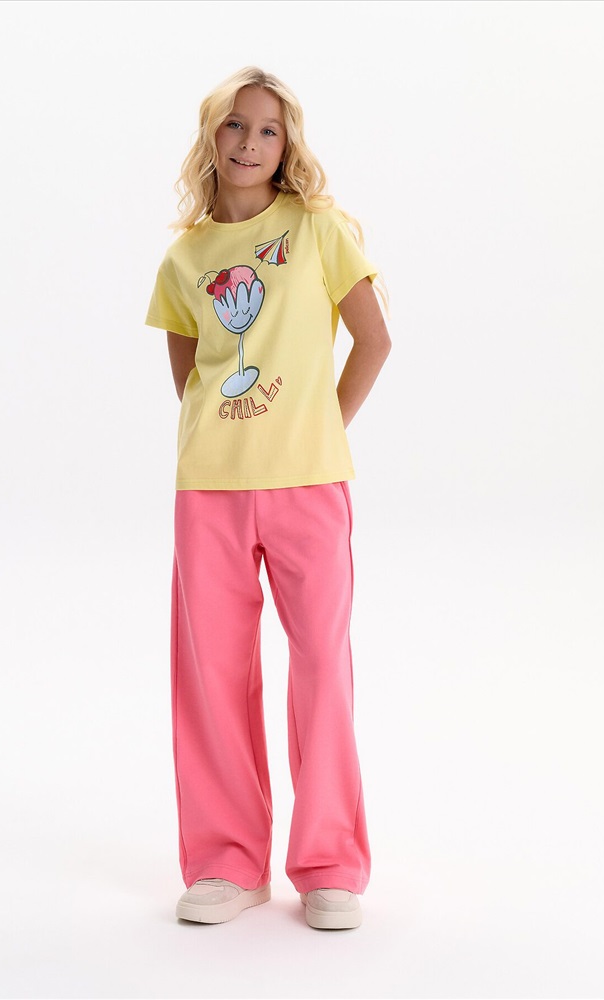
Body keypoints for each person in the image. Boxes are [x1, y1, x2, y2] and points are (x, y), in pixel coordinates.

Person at [144, 66, 391, 930]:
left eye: (268, 130)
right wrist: (234, 434)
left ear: (287, 147)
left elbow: (373, 339)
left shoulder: (318, 229)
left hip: (308, 485)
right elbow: (192, 378)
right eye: (235, 126)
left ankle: (329, 864)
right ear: (210, 135)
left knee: (321, 668)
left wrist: (318, 428)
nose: (249, 143)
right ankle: (226, 861)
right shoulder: (184, 257)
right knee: (211, 675)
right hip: (209, 488)